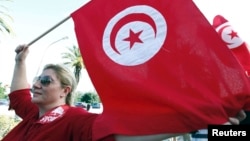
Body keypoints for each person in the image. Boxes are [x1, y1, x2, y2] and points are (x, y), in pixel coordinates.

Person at [2, 44, 247, 141]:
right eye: (37, 80)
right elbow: (18, 95)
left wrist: (193, 122)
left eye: (45, 81)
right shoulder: (34, 114)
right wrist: (20, 61)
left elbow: (121, 134)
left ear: (65, 91)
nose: (36, 85)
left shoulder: (74, 119)